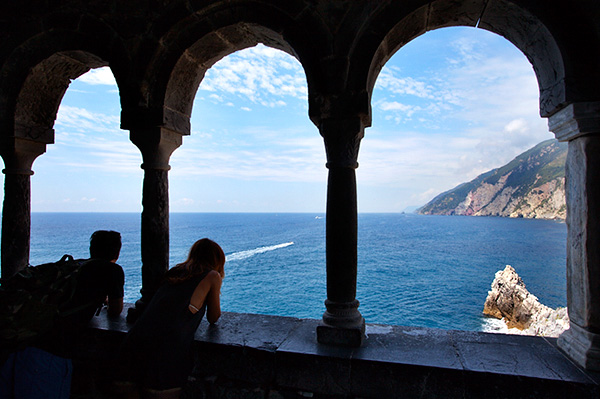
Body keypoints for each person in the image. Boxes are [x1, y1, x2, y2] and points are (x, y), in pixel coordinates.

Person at [0, 230, 125, 399]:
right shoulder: (112, 270)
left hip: (21, 343)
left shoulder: (74, 266)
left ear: (92, 249)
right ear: (117, 252)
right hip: (49, 355)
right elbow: (116, 309)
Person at [117, 238, 225, 399]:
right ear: (217, 259)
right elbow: (213, 317)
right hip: (165, 352)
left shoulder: (176, 271)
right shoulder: (212, 276)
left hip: (133, 344)